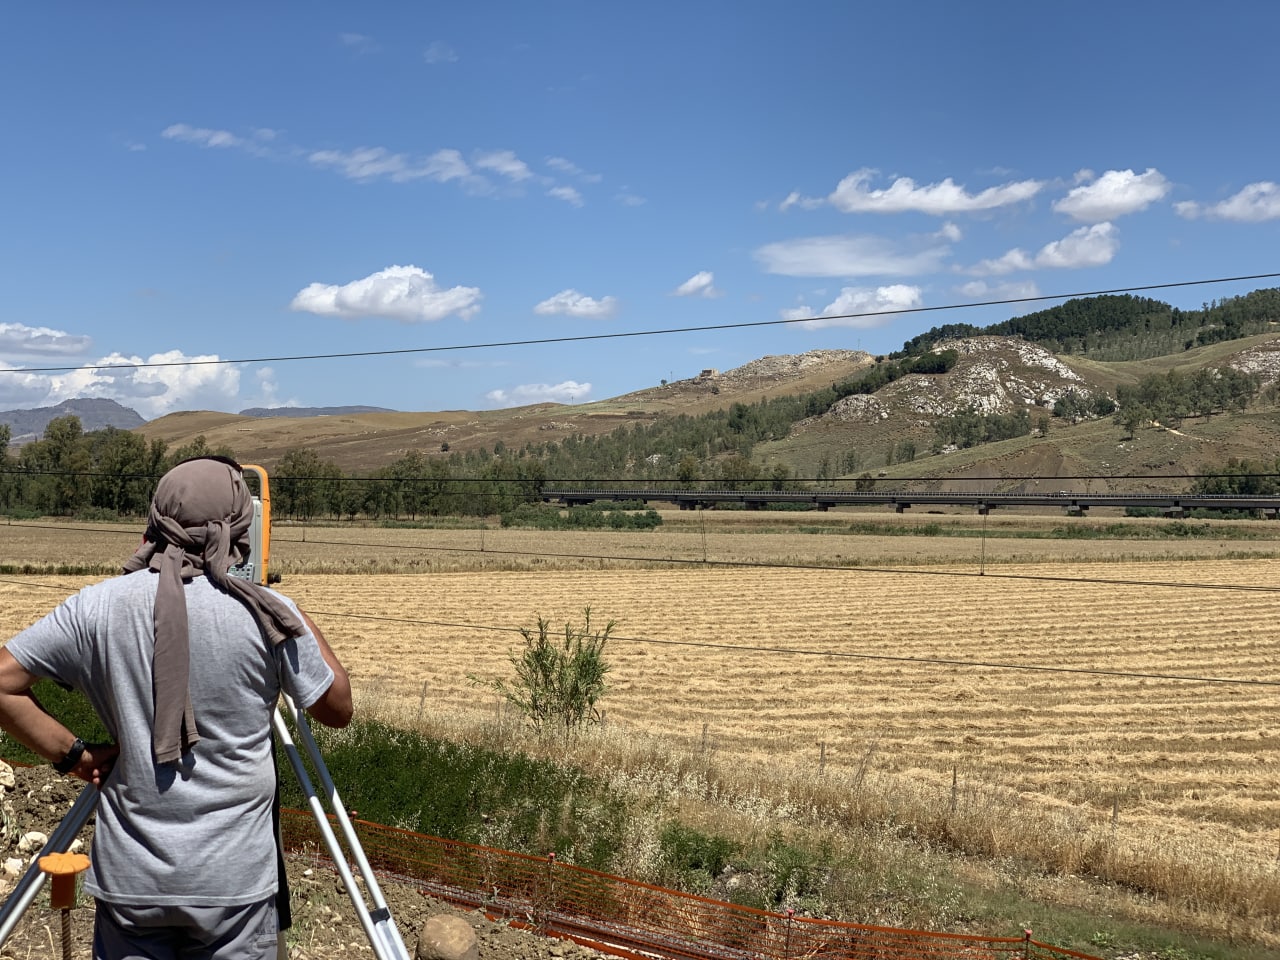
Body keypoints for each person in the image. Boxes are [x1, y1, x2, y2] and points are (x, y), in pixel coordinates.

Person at [0, 456, 352, 959]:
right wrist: (289, 611)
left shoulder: (97, 606)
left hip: (131, 881)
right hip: (235, 883)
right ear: (237, 527)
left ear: (156, 521)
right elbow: (336, 707)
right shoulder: (265, 614)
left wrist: (72, 756)